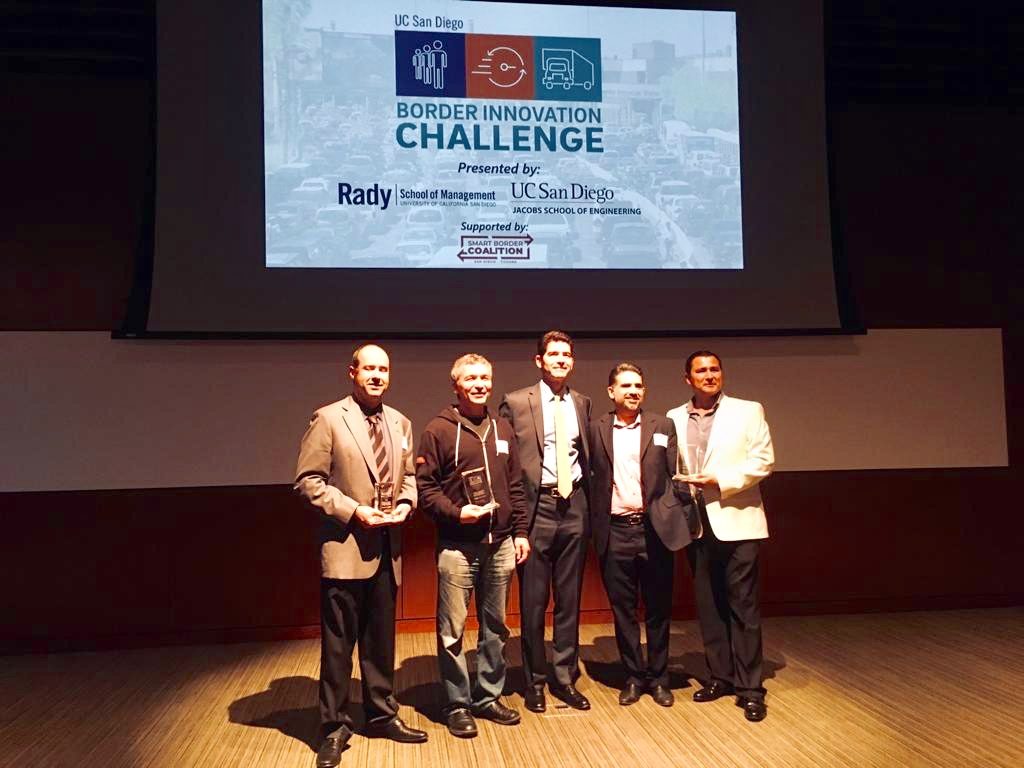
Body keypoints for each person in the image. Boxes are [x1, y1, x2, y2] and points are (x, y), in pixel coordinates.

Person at [294, 344, 427, 768]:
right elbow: (308, 481)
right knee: (338, 649)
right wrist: (354, 511)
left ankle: (381, 714)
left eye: (383, 369)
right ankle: (333, 727)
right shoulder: (328, 418)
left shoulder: (401, 422)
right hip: (346, 550)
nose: (376, 375)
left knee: (380, 643)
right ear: (352, 372)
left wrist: (405, 504)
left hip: (388, 549)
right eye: (368, 368)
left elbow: (409, 476)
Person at [416, 354, 532, 738]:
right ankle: (457, 704)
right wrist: (457, 513)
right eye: (471, 378)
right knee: (452, 632)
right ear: (456, 385)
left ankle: (487, 697)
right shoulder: (437, 430)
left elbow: (515, 487)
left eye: (485, 377)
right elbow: (425, 489)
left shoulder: (503, 428)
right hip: (457, 547)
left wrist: (520, 532)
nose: (480, 384)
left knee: (495, 628)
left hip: (501, 545)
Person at [667, 351, 775, 722]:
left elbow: (763, 461)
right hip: (695, 524)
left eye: (715, 369)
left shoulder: (748, 410)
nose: (709, 375)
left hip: (737, 520)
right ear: (688, 378)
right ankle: (720, 677)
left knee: (743, 606)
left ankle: (751, 689)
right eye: (701, 370)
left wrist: (720, 481)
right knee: (709, 605)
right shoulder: (672, 417)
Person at [589, 363, 697, 707]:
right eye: (626, 386)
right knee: (623, 611)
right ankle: (634, 677)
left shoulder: (662, 425)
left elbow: (675, 475)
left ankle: (659, 677)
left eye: (638, 386)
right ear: (611, 392)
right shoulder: (596, 428)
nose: (633, 391)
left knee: (658, 609)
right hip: (615, 531)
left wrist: (680, 520)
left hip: (654, 531)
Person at [500, 330, 592, 713]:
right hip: (536, 510)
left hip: (574, 506)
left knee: (569, 599)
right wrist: (516, 524)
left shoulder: (582, 402)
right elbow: (508, 463)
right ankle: (535, 679)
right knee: (534, 601)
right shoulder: (515, 401)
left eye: (566, 354)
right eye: (553, 354)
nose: (560, 360)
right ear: (539, 360)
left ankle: (564, 678)